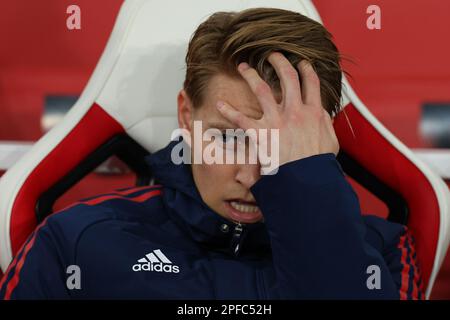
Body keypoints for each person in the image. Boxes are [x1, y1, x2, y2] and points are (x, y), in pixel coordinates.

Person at [0, 8, 422, 299]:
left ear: (320, 137)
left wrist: (308, 187)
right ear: (186, 113)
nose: (251, 175)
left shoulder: (380, 256)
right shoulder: (75, 241)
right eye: (228, 137)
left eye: (280, 144)